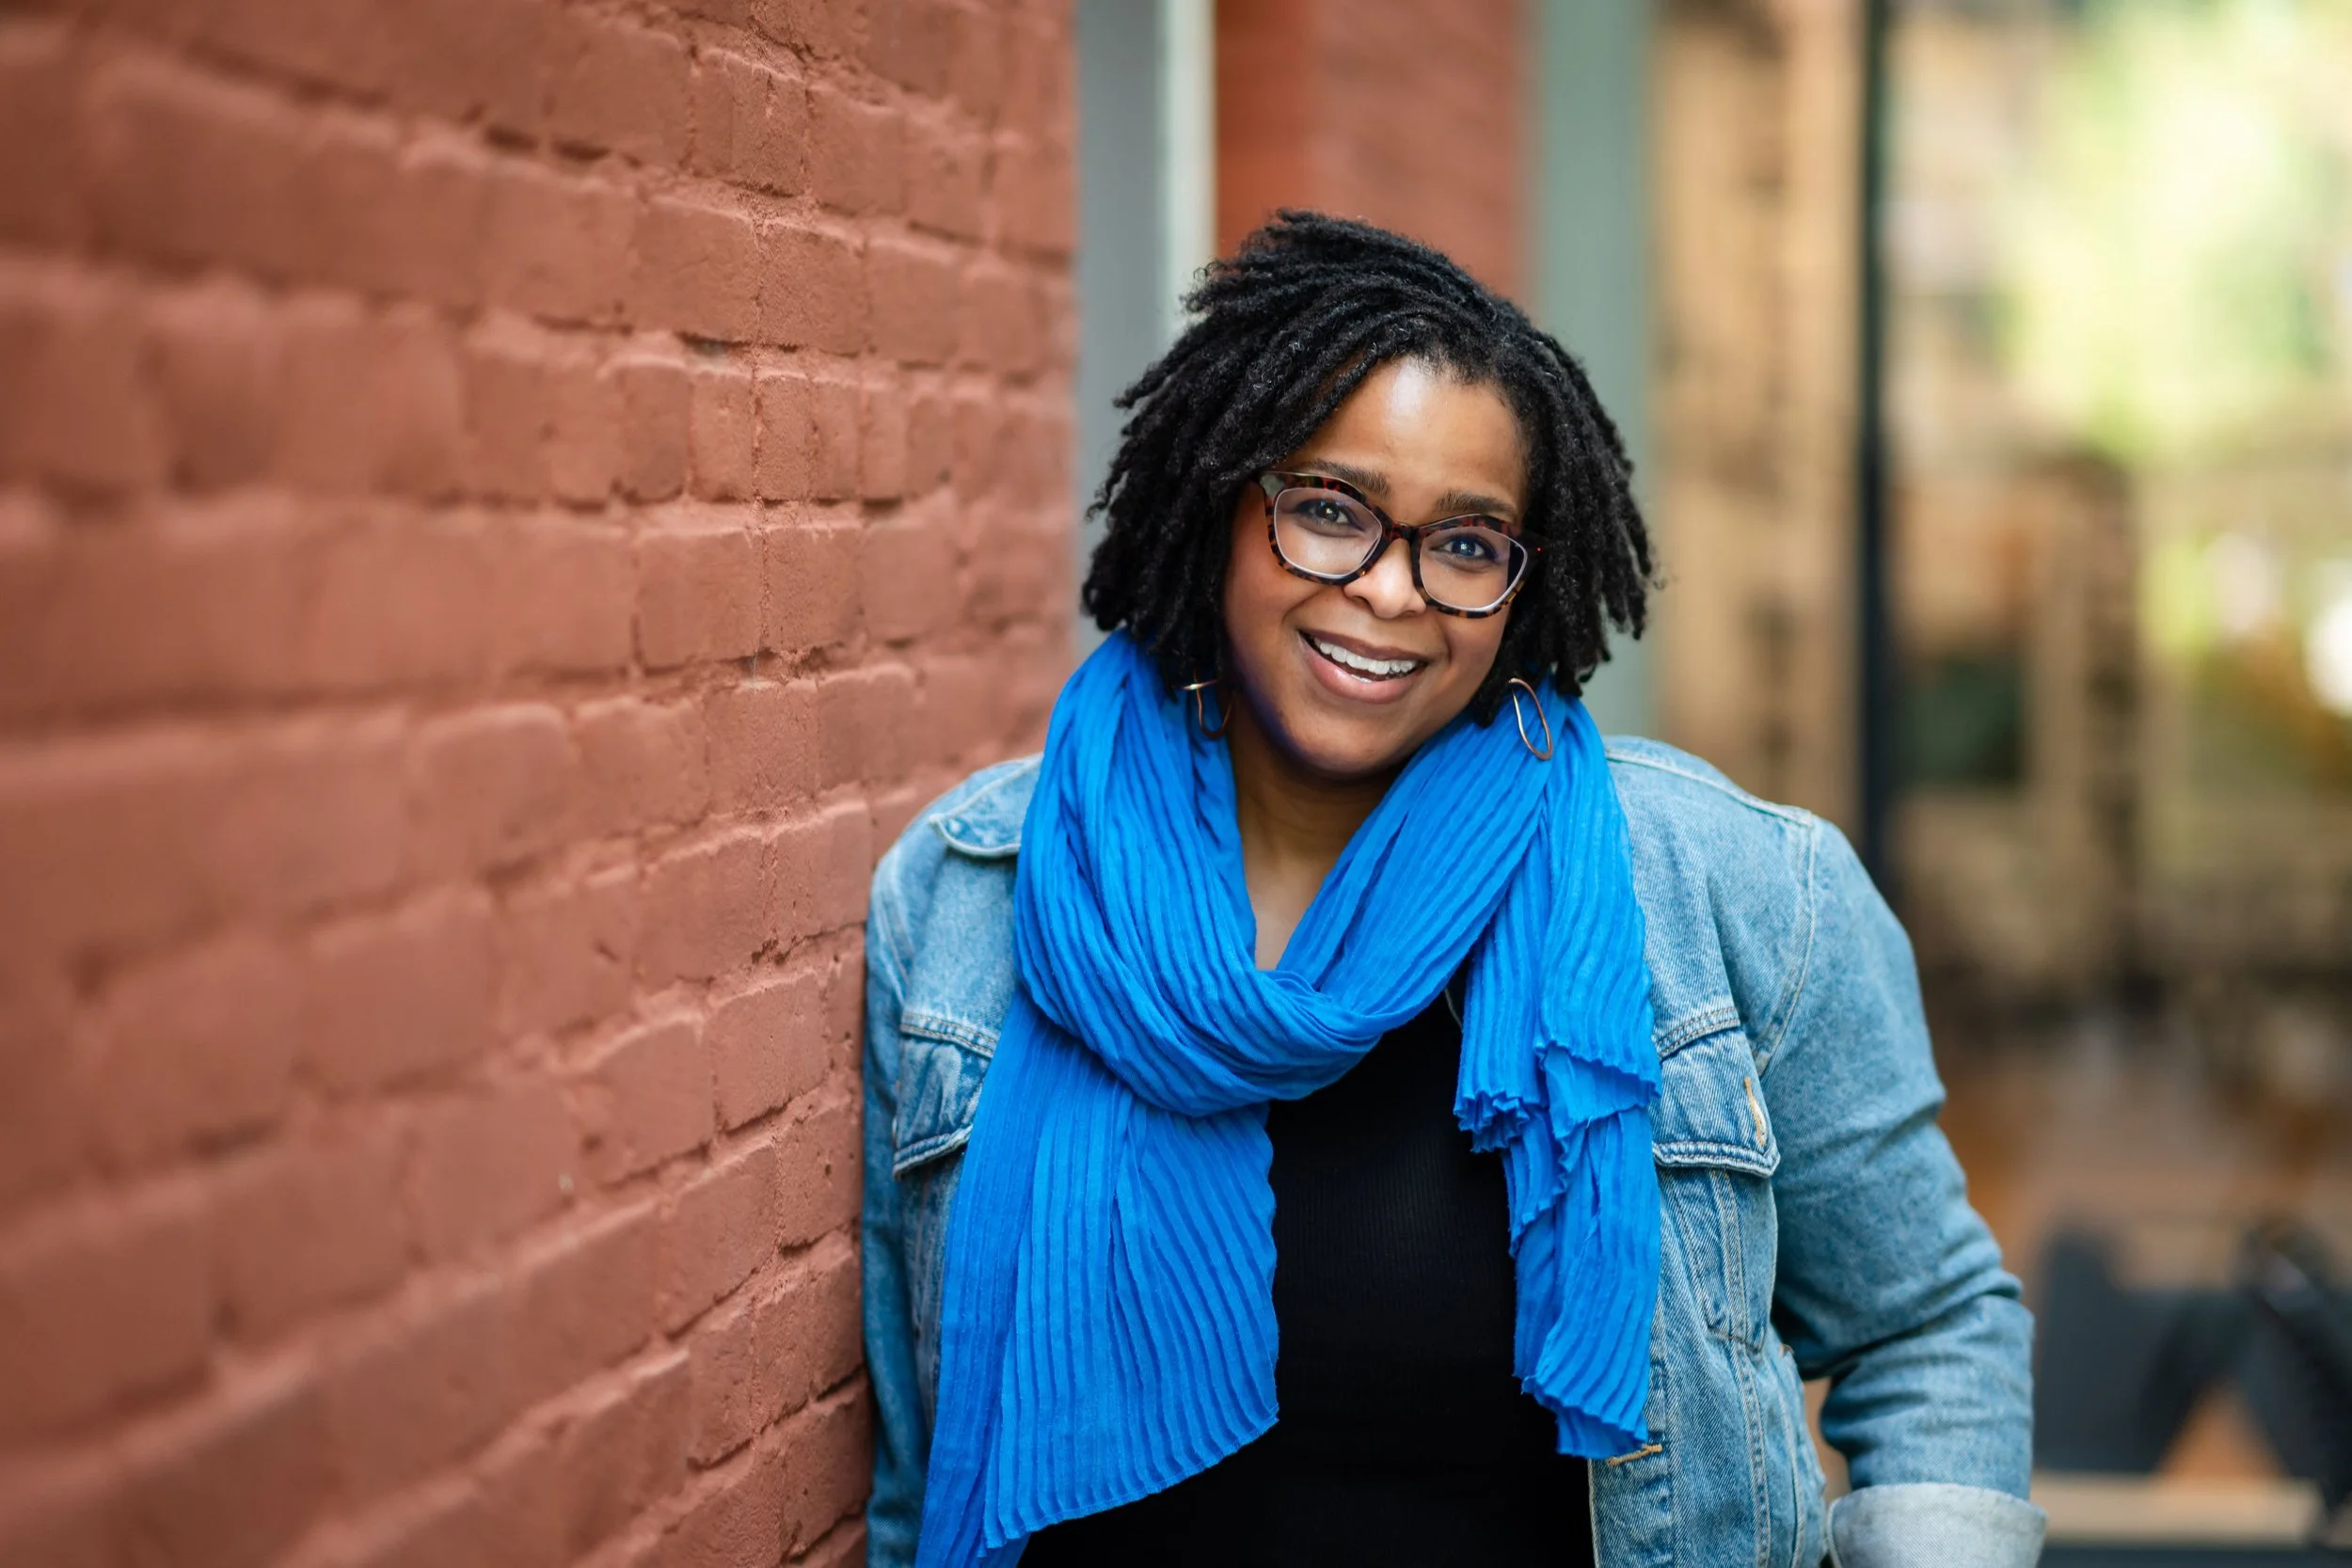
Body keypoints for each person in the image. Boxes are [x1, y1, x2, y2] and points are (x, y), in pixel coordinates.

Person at [860, 213, 2042, 1568]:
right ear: (1219, 506)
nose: (1388, 592)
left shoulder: (1734, 891)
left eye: (1466, 544)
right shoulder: (970, 898)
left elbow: (1930, 1323)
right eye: (1327, 510)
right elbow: (915, 1476)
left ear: (1522, 583)